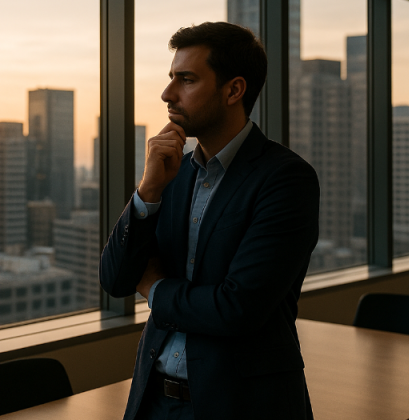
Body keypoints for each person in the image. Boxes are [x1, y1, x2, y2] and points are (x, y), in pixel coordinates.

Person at [99, 21, 319, 420]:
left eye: (186, 80)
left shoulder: (286, 178)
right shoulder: (172, 173)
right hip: (153, 401)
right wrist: (147, 193)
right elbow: (115, 280)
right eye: (171, 78)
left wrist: (154, 287)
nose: (167, 94)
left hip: (241, 406)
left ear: (234, 90)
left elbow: (237, 308)